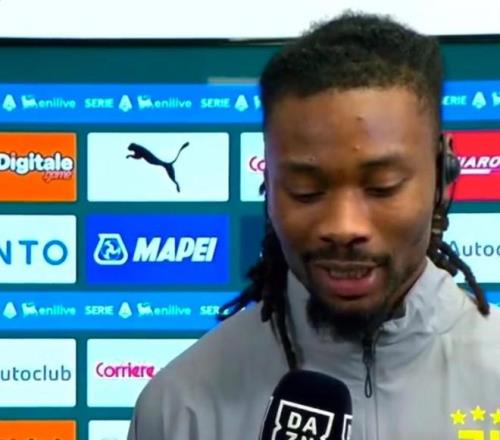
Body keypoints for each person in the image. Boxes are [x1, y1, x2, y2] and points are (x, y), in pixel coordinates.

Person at [128, 11, 500, 439]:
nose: (344, 226)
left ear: (443, 177)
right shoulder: (181, 408)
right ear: (268, 185)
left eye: (382, 187)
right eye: (305, 190)